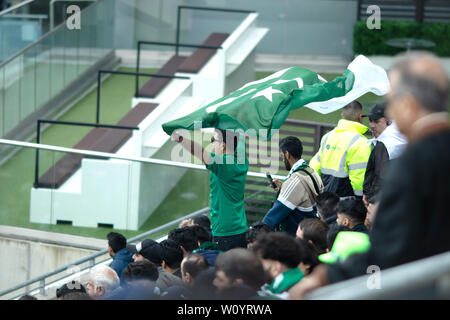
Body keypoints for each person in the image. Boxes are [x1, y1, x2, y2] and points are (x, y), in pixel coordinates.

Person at [289, 51, 450, 299]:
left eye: (393, 100)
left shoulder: (413, 165)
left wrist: (325, 276)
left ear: (407, 104)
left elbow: (388, 249)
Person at [171, 128, 249, 251]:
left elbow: (200, 152)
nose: (212, 144)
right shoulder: (242, 160)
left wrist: (180, 139)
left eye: (213, 140)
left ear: (223, 145)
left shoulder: (224, 164)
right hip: (239, 229)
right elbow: (238, 137)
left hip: (225, 234)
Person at [262, 136, 324, 236]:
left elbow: (272, 217)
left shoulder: (294, 181)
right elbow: (302, 194)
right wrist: (283, 188)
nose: (282, 159)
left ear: (287, 154)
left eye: (282, 156)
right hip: (311, 232)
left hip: (295, 238)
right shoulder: (311, 171)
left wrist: (256, 232)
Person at [310, 101, 372, 198]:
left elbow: (314, 166)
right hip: (346, 204)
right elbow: (359, 178)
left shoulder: (327, 137)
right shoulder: (361, 142)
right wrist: (361, 200)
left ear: (342, 115)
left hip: (325, 201)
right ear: (360, 117)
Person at [362, 102, 407, 201]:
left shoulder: (385, 142)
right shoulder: (402, 134)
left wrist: (371, 200)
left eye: (376, 121)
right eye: (370, 120)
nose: (371, 125)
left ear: (388, 121)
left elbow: (381, 178)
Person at [252, 232, 305, 299]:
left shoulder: (284, 295)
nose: (256, 268)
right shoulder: (300, 280)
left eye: (260, 263)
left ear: (276, 267)